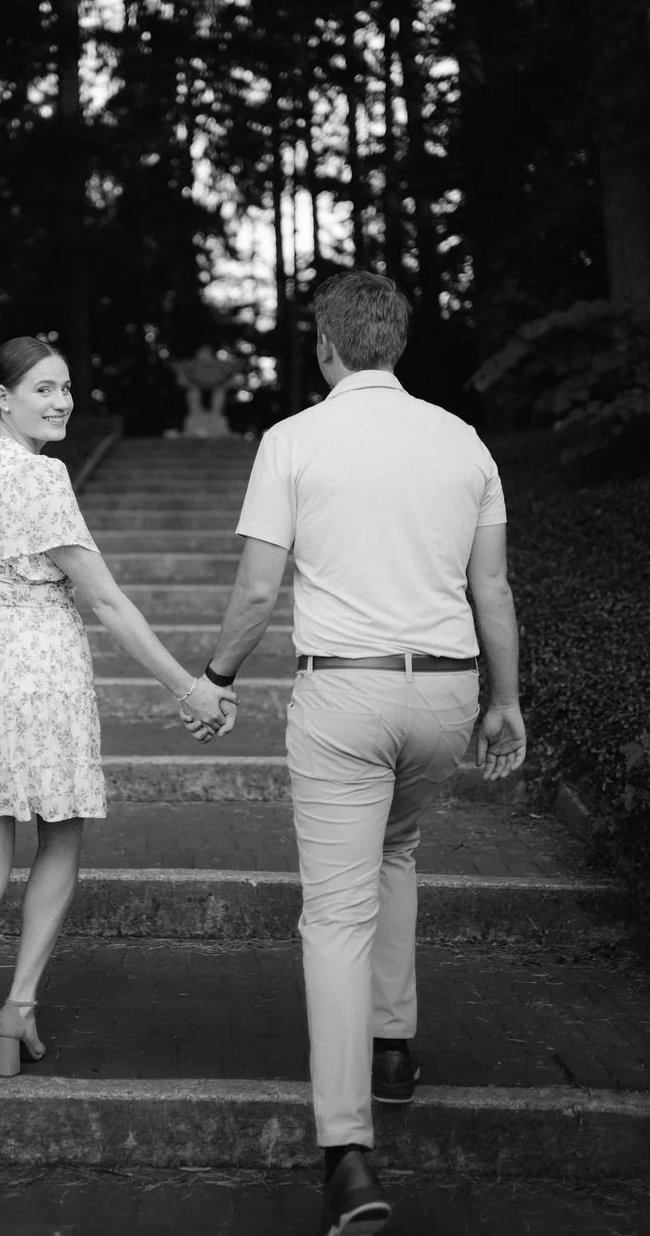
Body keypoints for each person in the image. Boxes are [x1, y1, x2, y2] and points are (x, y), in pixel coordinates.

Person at [183, 272, 526, 1236]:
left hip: (346, 692)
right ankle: (394, 1046)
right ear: (397, 345)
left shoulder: (294, 440)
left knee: (335, 915)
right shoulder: (464, 441)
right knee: (398, 850)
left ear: (327, 347)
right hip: (446, 695)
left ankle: (346, 1154)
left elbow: (259, 591)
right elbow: (492, 590)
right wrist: (505, 703)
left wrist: (216, 674)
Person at [0, 336, 234, 1140]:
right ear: (2, 397)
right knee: (59, 838)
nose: (61, 402)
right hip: (42, 679)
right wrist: (188, 686)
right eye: (43, 389)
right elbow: (107, 602)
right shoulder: (42, 478)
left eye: (67, 388)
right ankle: (15, 1008)